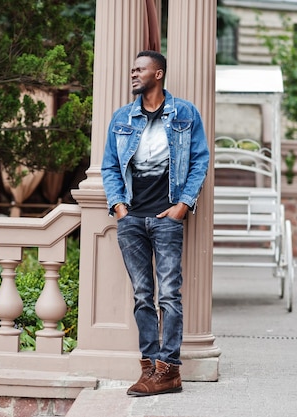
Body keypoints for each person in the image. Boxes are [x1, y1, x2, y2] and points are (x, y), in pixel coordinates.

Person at [101, 50, 210, 397]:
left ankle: (169, 368)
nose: (133, 74)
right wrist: (119, 208)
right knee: (143, 295)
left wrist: (182, 206)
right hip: (132, 218)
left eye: (140, 69)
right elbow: (109, 167)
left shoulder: (185, 113)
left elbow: (199, 161)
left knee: (169, 295)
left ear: (158, 74)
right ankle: (149, 366)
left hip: (166, 218)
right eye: (132, 69)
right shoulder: (122, 118)